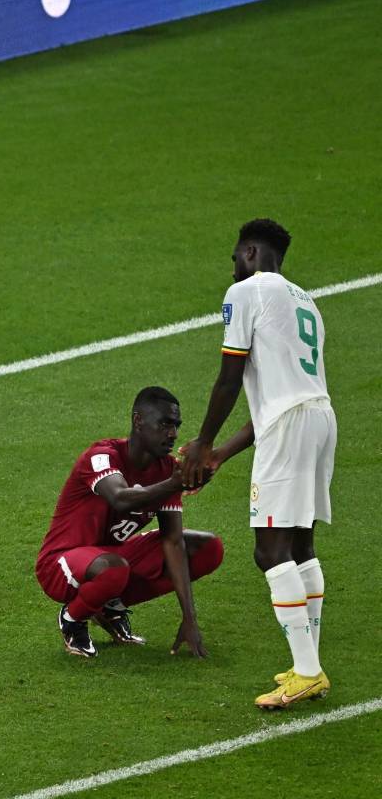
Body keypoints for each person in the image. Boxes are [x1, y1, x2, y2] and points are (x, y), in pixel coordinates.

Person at [181, 218, 335, 710]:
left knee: (270, 552)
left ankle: (308, 671)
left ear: (250, 251)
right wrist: (222, 454)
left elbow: (230, 378)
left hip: (289, 428)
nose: (232, 267)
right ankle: (306, 664)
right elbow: (274, 399)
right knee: (301, 543)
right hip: (318, 418)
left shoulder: (246, 293)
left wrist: (202, 442)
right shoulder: (305, 300)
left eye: (233, 257)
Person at [36, 387, 224, 659]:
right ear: (138, 421)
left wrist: (189, 618)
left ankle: (110, 605)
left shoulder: (167, 469)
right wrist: (175, 483)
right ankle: (73, 618)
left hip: (111, 559)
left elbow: (172, 541)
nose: (173, 433)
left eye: (176, 425)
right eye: (165, 424)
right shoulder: (102, 456)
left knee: (208, 548)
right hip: (60, 564)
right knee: (114, 569)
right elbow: (122, 499)